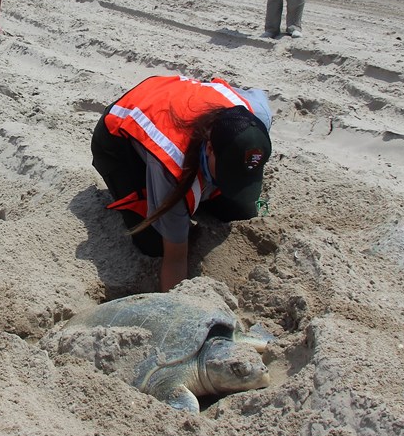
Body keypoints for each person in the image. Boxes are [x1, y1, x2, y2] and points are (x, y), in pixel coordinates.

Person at [91, 75, 273, 292]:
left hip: (179, 98)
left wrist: (241, 191)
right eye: (227, 173)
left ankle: (209, 190)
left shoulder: (256, 117)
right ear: (209, 148)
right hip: (121, 131)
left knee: (242, 210)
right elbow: (175, 259)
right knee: (155, 242)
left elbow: (258, 96)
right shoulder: (172, 166)